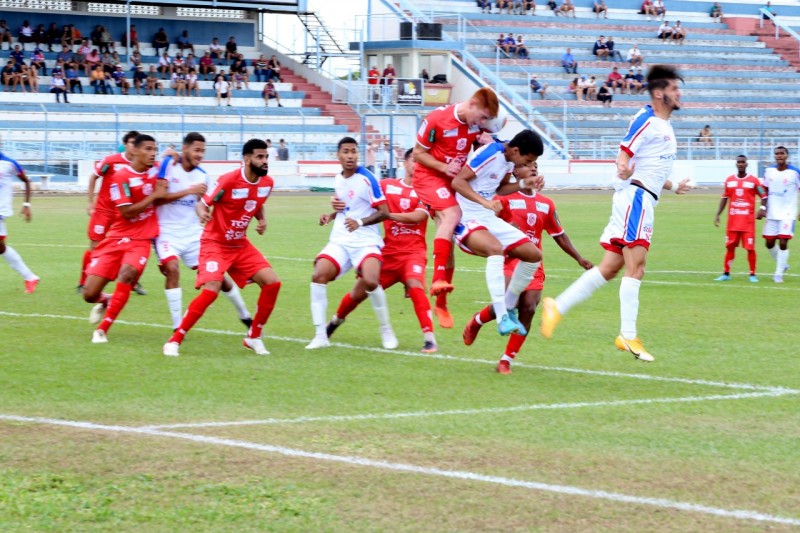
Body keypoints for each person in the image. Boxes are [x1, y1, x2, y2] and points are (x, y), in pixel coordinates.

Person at [540, 65, 691, 362]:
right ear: (660, 93)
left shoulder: (664, 125)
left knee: (610, 268)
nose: (679, 93)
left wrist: (673, 186)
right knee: (638, 267)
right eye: (674, 89)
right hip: (636, 199)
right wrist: (622, 164)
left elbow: (651, 169)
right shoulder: (647, 120)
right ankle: (628, 335)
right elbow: (626, 152)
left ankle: (556, 306)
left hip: (640, 197)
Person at [463, 162, 593, 373]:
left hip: (533, 263)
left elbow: (558, 234)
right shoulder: (502, 199)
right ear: (515, 171)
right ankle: (477, 321)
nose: (533, 168)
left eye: (536, 166)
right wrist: (505, 228)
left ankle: (506, 360)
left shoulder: (546, 203)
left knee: (529, 308)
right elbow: (484, 225)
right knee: (505, 304)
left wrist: (579, 258)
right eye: (528, 165)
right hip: (509, 259)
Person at [163, 139, 279, 356]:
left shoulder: (267, 183)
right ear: (246, 159)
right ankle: (175, 339)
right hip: (214, 243)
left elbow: (255, 202)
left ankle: (254, 337)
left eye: (266, 157)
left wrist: (261, 219)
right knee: (212, 290)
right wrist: (203, 214)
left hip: (240, 244)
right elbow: (202, 203)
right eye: (260, 157)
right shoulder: (228, 180)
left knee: (272, 283)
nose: (265, 161)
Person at [325, 149, 438, 353]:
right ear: (405, 163)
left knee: (414, 284)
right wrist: (334, 212)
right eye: (414, 160)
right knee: (359, 292)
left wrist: (386, 215)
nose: (417, 165)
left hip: (413, 253)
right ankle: (333, 323)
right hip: (387, 253)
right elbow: (359, 202)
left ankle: (429, 338)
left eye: (421, 162)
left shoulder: (425, 191)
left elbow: (418, 217)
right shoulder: (386, 186)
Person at [412, 87, 498, 327]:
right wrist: (442, 167)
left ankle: (440, 304)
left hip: (452, 182)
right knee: (453, 214)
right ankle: (438, 279)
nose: (482, 123)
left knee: (447, 237)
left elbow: (485, 141)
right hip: (429, 178)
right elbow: (418, 154)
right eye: (482, 117)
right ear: (471, 104)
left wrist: (484, 141)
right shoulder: (436, 120)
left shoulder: (475, 126)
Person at [450, 131, 545, 341]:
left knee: (533, 255)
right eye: (528, 161)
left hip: (486, 216)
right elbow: (458, 182)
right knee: (495, 250)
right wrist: (484, 203)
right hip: (466, 217)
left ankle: (509, 307)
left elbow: (500, 188)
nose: (529, 166)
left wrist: (523, 184)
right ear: (516, 150)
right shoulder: (490, 153)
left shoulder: (510, 159)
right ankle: (502, 316)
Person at [155, 132, 253, 330]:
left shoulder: (202, 176)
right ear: (185, 148)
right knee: (172, 269)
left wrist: (203, 213)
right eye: (196, 150)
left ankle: (244, 315)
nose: (200, 154)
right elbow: (158, 198)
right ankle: (177, 326)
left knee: (217, 277)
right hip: (167, 233)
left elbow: (202, 204)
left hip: (193, 234)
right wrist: (188, 190)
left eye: (203, 151)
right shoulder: (169, 164)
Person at [306, 137, 396, 350]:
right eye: (346, 151)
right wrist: (330, 215)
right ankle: (320, 336)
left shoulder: (368, 178)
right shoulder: (338, 179)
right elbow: (347, 208)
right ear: (338, 155)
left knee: (371, 281)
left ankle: (386, 329)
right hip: (341, 239)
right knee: (318, 275)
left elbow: (385, 212)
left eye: (354, 151)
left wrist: (360, 222)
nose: (350, 156)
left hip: (366, 241)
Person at [83, 134, 166, 343]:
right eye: (148, 149)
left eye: (155, 149)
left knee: (127, 274)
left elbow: (169, 166)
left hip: (141, 239)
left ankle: (102, 330)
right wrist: (155, 196)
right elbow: (128, 212)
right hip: (118, 235)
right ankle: (106, 300)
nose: (152, 153)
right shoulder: (120, 176)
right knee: (89, 294)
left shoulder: (155, 171)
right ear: (133, 150)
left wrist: (188, 187)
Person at [78, 131, 141, 291]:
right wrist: (90, 202)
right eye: (132, 143)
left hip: (123, 212)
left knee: (129, 246)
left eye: (136, 143)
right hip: (104, 210)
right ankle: (84, 281)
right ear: (125, 144)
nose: (134, 146)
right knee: (95, 245)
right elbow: (93, 177)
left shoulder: (140, 164)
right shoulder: (111, 161)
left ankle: (131, 281)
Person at [714, 155, 763, 282]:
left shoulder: (754, 181)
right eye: (739, 162)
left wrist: (762, 209)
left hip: (747, 223)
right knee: (730, 247)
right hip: (733, 223)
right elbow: (724, 198)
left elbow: (764, 196)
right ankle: (726, 273)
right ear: (736, 164)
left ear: (747, 164)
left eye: (743, 162)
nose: (741, 164)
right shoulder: (729, 180)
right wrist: (718, 214)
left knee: (750, 248)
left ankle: (752, 274)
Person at [757, 146, 800, 283]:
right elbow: (764, 189)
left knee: (783, 241)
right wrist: (763, 207)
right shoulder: (769, 171)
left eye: (782, 153)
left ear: (787, 156)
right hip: (772, 212)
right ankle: (783, 264)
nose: (779, 156)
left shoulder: (795, 172)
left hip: (788, 213)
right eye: (777, 154)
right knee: (769, 243)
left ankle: (778, 274)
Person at [0, 149, 39, 292]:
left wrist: (26, 204)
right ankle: (30, 277)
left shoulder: (9, 164)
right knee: (1, 247)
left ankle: (30, 277)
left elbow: (26, 181)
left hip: (0, 210)